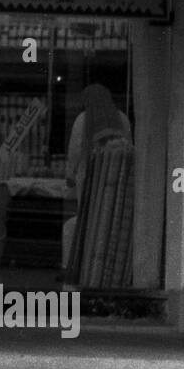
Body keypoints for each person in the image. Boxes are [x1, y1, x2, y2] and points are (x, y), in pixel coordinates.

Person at [62, 83, 132, 273]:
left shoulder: (82, 120)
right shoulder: (122, 119)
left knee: (87, 221)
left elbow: (75, 151)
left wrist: (70, 175)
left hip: (88, 177)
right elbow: (129, 149)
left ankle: (85, 266)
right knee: (110, 221)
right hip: (117, 178)